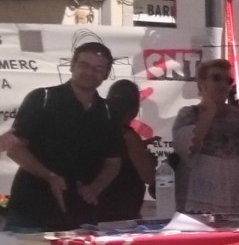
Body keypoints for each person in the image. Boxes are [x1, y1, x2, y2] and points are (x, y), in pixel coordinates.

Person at [6, 42, 120, 231]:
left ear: (106, 74)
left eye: (98, 68)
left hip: (81, 215)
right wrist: (50, 177)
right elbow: (15, 148)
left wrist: (95, 189)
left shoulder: (108, 112)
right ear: (72, 66)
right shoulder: (43, 98)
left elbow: (113, 162)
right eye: (84, 65)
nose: (90, 72)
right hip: (32, 211)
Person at [172, 59, 239, 218]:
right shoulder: (189, 113)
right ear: (201, 82)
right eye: (216, 78)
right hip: (202, 197)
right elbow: (189, 148)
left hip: (238, 198)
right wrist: (210, 108)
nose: (223, 84)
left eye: (228, 80)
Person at [98, 80, 153, 222]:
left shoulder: (97, 128)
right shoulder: (128, 136)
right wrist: (149, 160)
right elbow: (149, 176)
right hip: (120, 209)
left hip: (96, 205)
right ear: (135, 109)